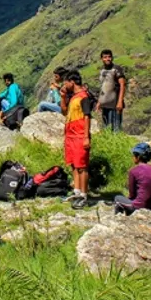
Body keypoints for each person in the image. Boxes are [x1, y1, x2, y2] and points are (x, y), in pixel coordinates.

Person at [62, 71, 96, 207]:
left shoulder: (83, 97)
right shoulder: (73, 97)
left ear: (72, 81)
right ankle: (76, 191)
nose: (64, 85)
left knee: (82, 166)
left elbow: (87, 116)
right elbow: (64, 112)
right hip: (70, 135)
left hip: (80, 135)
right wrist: (63, 97)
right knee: (74, 164)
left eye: (66, 82)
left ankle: (83, 194)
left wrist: (86, 136)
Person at [114, 143, 151, 215]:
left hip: (139, 207)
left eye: (133, 155)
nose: (132, 157)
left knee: (117, 198)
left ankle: (118, 220)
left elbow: (132, 195)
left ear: (138, 157)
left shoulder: (133, 171)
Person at [96, 49, 127, 133]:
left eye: (109, 57)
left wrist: (120, 101)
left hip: (115, 104)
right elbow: (102, 86)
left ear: (112, 58)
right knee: (107, 128)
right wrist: (99, 102)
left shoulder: (116, 69)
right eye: (105, 57)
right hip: (105, 104)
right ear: (101, 59)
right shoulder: (102, 70)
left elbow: (122, 85)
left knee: (115, 129)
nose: (107, 59)